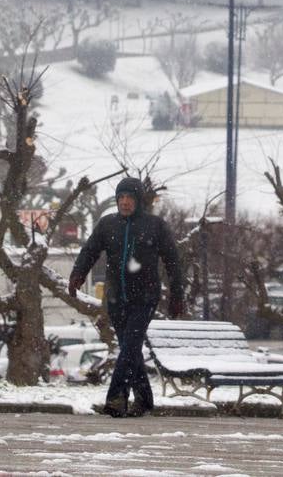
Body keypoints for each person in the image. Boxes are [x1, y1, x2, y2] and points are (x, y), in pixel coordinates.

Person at [69, 176, 184, 417]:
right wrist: (77, 275)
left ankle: (115, 399)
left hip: (145, 297)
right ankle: (144, 399)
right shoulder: (107, 224)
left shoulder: (155, 225)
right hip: (116, 297)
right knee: (128, 350)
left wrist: (177, 294)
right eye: (120, 197)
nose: (124, 202)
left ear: (138, 200)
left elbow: (173, 261)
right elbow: (89, 250)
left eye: (129, 197)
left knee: (130, 345)